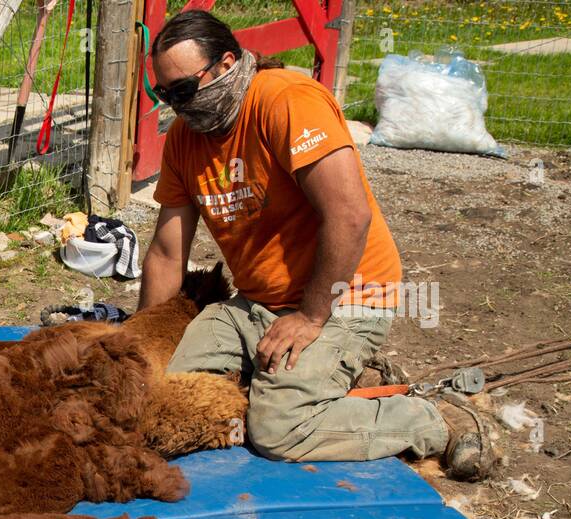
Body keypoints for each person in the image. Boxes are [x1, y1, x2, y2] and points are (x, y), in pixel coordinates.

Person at [139, 10, 492, 480]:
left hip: (344, 297)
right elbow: (167, 253)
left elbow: (349, 214)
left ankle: (435, 421)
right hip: (257, 304)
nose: (176, 107)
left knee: (277, 430)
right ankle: (342, 383)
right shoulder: (185, 139)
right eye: (164, 95)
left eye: (183, 91)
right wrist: (140, 343)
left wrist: (310, 317)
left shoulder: (287, 100)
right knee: (161, 394)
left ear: (226, 65)